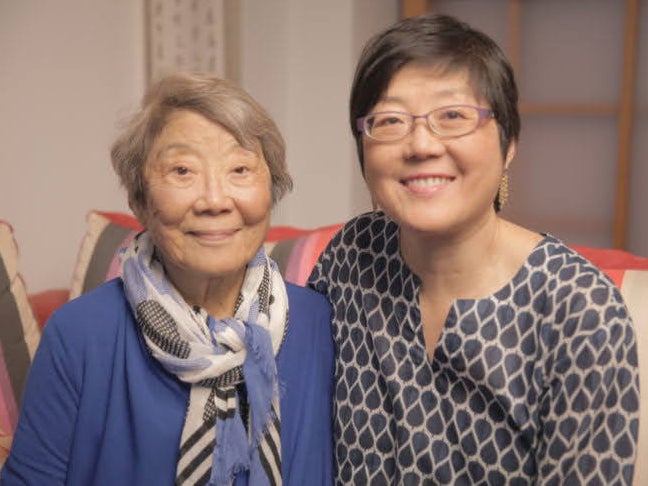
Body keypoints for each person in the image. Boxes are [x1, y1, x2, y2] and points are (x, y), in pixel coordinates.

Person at [308, 13, 639, 485]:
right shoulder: (350, 257)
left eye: (453, 117)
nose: (421, 144)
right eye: (390, 121)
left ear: (508, 144)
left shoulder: (579, 309)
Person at [2, 73, 334, 485]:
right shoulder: (80, 335)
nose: (215, 200)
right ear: (139, 200)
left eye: (240, 168)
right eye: (182, 170)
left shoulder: (322, 324)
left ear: (273, 188)